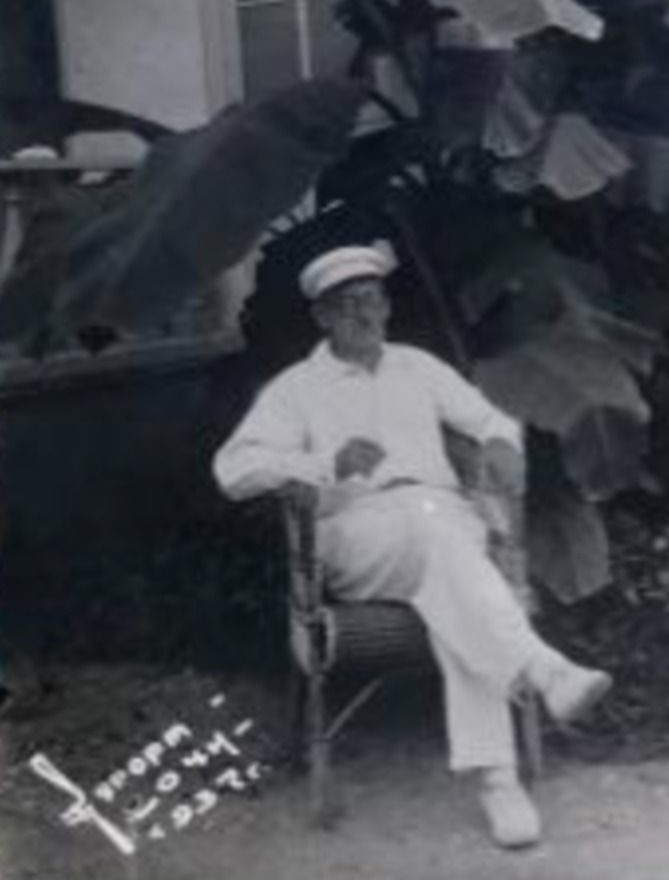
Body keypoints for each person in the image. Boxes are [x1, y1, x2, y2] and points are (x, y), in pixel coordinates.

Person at [213, 241, 611, 848]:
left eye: (372, 300)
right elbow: (234, 470)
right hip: (357, 535)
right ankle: (536, 684)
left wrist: (502, 444)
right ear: (322, 316)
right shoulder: (298, 388)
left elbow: (491, 420)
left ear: (387, 306)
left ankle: (501, 776)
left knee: (447, 567)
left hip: (442, 522)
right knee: (448, 550)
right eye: (347, 305)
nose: (364, 314)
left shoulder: (418, 368)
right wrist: (324, 464)